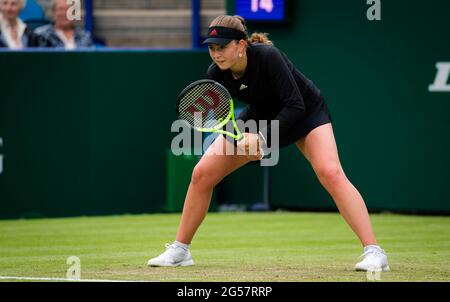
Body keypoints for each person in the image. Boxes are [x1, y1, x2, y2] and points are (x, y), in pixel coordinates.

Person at [147, 15, 390, 272]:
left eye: (222, 47)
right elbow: (223, 119)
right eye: (212, 48)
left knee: (330, 172)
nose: (216, 54)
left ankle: (374, 252)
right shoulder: (215, 74)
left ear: (241, 45)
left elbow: (295, 105)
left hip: (306, 113)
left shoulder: (268, 57)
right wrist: (240, 141)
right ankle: (180, 250)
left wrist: (261, 139)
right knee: (201, 174)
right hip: (260, 116)